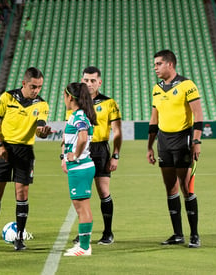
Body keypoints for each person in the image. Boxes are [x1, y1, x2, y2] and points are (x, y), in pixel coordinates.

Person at [0, 67, 51, 251]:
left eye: (39, 87)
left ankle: (19, 239)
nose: (36, 90)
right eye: (33, 86)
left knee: (22, 195)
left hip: (25, 151)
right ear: (24, 83)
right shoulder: (7, 98)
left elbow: (40, 129)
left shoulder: (42, 105)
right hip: (4, 148)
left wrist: (43, 133)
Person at [147, 49, 203, 248]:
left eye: (158, 64)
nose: (155, 68)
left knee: (186, 188)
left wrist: (196, 142)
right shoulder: (157, 88)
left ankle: (194, 235)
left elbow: (198, 115)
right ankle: (178, 234)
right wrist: (149, 147)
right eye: (155, 64)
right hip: (163, 142)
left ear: (170, 64)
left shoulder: (187, 85)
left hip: (183, 140)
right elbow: (154, 119)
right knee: (170, 189)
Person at [72, 66, 122, 245]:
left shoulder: (109, 103)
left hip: (100, 150)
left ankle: (108, 232)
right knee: (81, 194)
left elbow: (117, 131)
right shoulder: (76, 103)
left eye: (93, 80)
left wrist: (115, 155)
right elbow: (70, 131)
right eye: (86, 80)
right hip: (80, 149)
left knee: (103, 191)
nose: (89, 83)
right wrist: (65, 156)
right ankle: (83, 233)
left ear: (99, 82)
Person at [61, 82, 97, 256]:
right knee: (81, 207)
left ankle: (84, 247)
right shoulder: (77, 115)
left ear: (70, 97)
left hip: (80, 166)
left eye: (64, 96)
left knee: (82, 208)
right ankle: (83, 245)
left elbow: (82, 137)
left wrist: (75, 155)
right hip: (81, 167)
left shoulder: (79, 116)